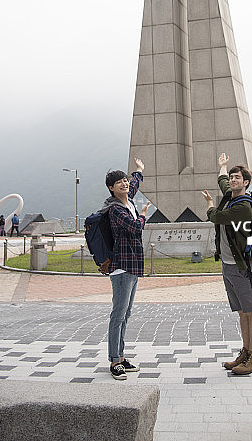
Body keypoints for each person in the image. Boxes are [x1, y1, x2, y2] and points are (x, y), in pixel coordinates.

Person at [202, 152, 252, 376]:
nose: (234, 180)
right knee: (242, 312)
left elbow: (217, 217)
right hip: (228, 265)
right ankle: (245, 352)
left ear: (246, 182)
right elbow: (222, 181)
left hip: (241, 266)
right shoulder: (230, 195)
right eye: (233, 177)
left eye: (238, 177)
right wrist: (222, 166)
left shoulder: (243, 206)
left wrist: (210, 204)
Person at [101, 158, 150, 380]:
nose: (124, 184)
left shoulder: (128, 201)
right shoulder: (115, 209)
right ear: (111, 188)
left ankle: (121, 357)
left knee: (126, 314)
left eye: (124, 180)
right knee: (118, 315)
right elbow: (134, 227)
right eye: (118, 182)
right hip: (122, 267)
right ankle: (114, 361)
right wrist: (143, 214)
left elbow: (135, 183)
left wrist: (138, 171)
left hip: (133, 265)